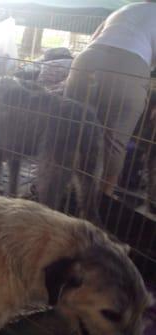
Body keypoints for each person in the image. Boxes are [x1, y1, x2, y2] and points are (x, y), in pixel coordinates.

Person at [64, 1, 156, 195]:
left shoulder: (127, 8)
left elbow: (94, 38)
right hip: (129, 68)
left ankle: (63, 188)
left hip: (87, 61)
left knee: (73, 131)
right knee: (113, 143)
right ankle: (101, 200)